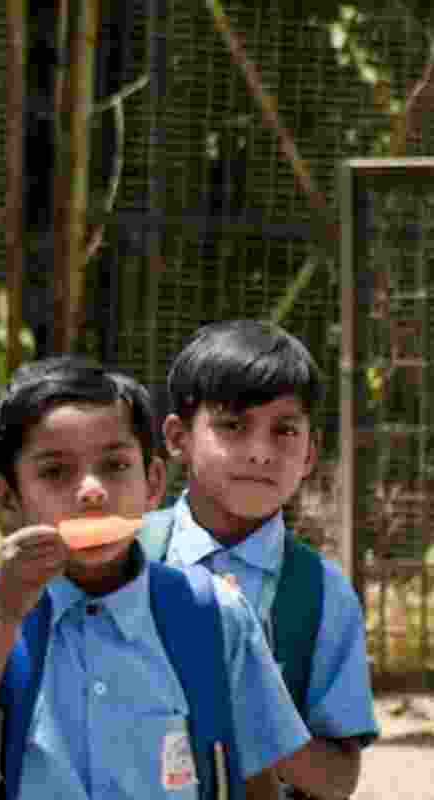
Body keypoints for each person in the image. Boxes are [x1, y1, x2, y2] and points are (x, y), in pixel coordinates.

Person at [0, 357, 310, 800]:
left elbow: (257, 783)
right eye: (56, 471)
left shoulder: (213, 614)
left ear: (153, 483)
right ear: (8, 498)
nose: (92, 490)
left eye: (114, 466)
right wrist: (1, 619)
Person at [150, 320, 378, 799]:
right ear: (178, 439)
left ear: (311, 452)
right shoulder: (125, 559)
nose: (260, 453)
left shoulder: (323, 595)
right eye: (232, 425)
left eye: (285, 430)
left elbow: (337, 779)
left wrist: (251, 703)